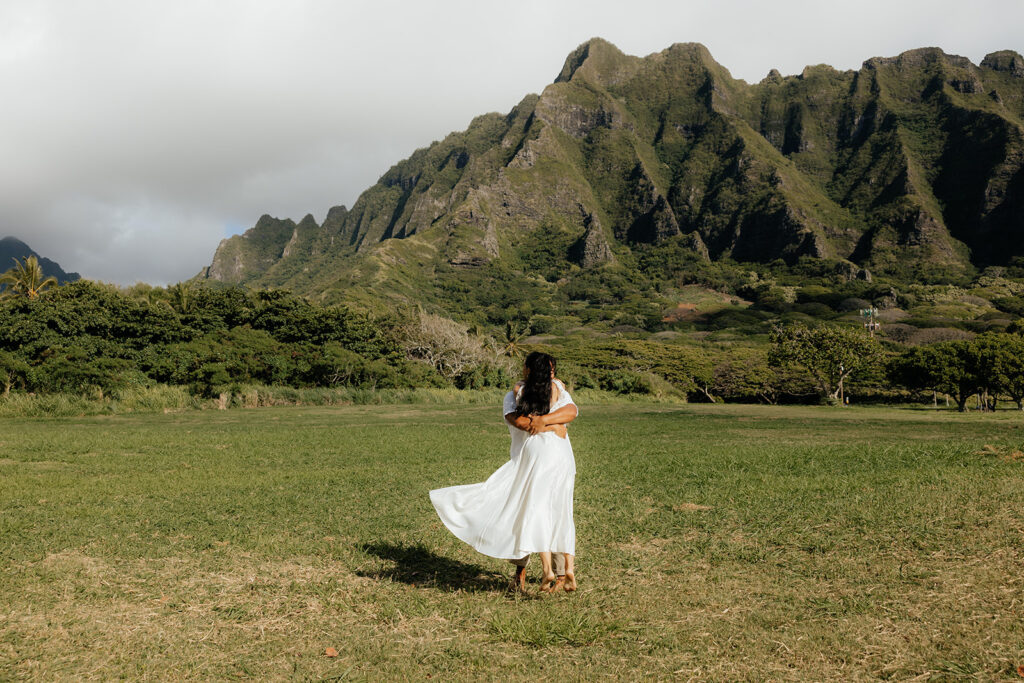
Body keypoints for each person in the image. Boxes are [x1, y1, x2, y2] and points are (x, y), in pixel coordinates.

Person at [429, 351, 578, 593]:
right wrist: (553, 425)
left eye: (553, 369)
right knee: (533, 512)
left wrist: (547, 422)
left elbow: (571, 412)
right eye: (547, 369)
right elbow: (516, 420)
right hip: (528, 460)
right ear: (530, 369)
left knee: (543, 511)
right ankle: (527, 571)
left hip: (544, 458)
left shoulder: (551, 388)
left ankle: (557, 574)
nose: (551, 373)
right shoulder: (515, 393)